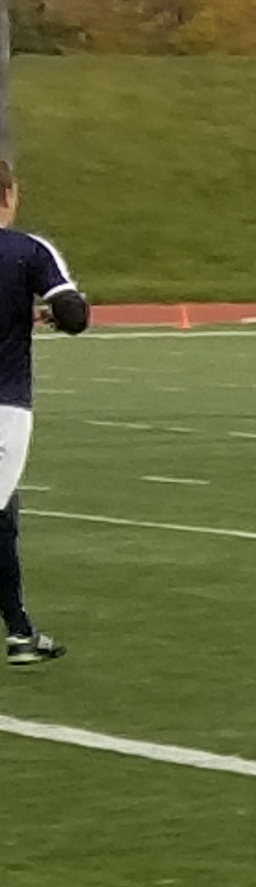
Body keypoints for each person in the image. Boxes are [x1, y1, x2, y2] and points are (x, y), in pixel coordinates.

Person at [0, 158, 94, 666]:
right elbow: (74, 315)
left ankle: (20, 632)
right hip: (4, 406)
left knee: (4, 516)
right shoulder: (28, 251)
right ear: (9, 194)